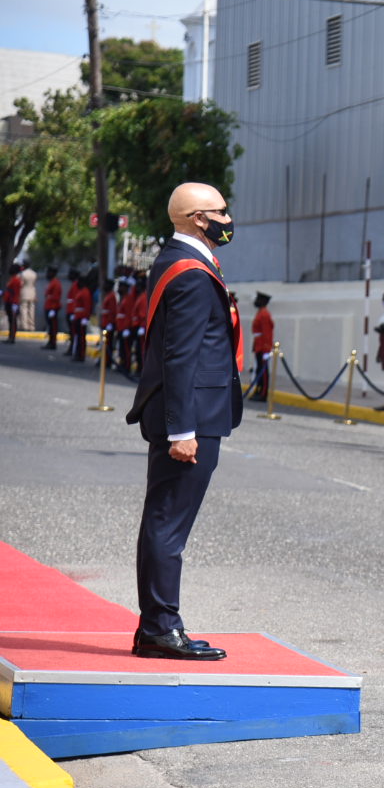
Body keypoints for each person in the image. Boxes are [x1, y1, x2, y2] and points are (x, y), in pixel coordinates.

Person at [124, 182, 242, 660]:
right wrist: (182, 430)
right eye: (220, 212)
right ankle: (160, 627)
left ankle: (156, 624)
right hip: (191, 413)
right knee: (167, 523)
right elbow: (180, 354)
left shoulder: (185, 259)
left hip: (196, 409)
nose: (228, 219)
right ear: (197, 218)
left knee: (165, 520)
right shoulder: (190, 271)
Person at [248, 292, 275, 400]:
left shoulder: (264, 314)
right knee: (259, 369)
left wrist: (266, 349)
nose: (256, 301)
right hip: (258, 346)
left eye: (258, 299)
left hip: (263, 347)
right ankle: (258, 390)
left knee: (263, 371)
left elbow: (267, 333)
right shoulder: (261, 312)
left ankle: (263, 393)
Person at [69, 270, 92, 361]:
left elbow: (87, 306)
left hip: (82, 317)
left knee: (81, 337)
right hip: (78, 317)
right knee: (77, 336)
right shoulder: (81, 291)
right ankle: (77, 353)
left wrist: (85, 318)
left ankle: (81, 354)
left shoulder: (85, 292)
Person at [42, 265, 62, 349]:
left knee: (53, 327)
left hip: (52, 308)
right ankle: (50, 342)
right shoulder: (52, 282)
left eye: (49, 272)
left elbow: (56, 297)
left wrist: (53, 309)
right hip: (49, 306)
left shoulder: (56, 283)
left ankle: (53, 343)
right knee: (50, 326)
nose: (47, 274)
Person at [3, 263, 20, 343]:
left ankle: (12, 337)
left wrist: (15, 304)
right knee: (10, 320)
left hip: (13, 302)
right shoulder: (12, 278)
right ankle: (10, 336)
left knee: (13, 321)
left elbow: (16, 292)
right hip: (9, 301)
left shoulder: (16, 279)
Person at [18, 259, 35, 331]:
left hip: (24, 293)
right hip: (32, 293)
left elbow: (21, 284)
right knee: (31, 310)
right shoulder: (34, 273)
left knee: (24, 309)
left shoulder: (22, 274)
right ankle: (31, 326)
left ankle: (24, 326)